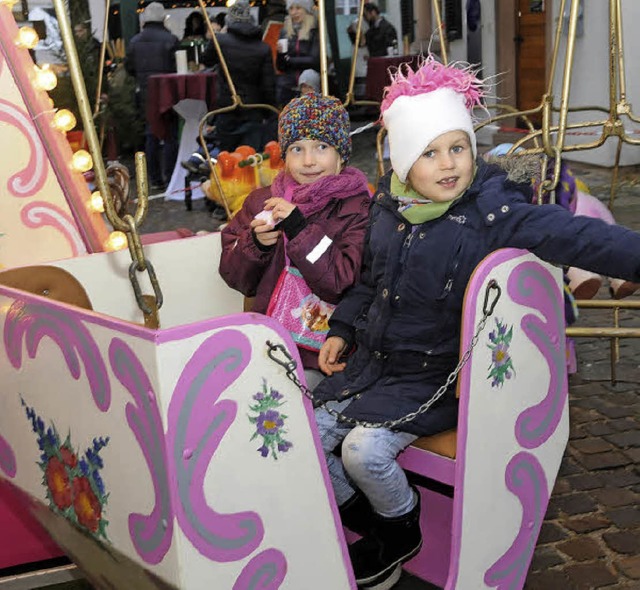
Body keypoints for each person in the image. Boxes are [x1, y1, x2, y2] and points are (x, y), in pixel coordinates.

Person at [309, 56, 640, 590]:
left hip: (434, 378)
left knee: (361, 451)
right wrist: (342, 328)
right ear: (402, 164)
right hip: (373, 368)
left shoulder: (490, 214)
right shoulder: (388, 210)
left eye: (457, 148)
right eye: (430, 152)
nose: (448, 164)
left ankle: (400, 526)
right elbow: (367, 282)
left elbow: (580, 237)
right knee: (305, 433)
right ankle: (378, 533)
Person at [219, 93, 371, 389]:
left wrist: (300, 229)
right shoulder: (262, 201)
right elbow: (235, 277)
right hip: (267, 344)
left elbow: (342, 281)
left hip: (322, 352)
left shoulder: (357, 207)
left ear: (341, 155)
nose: (309, 160)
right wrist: (256, 245)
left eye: (322, 147)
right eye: (297, 148)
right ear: (284, 155)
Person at [200, 0, 277, 154]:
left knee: (226, 155)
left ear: (229, 20)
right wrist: (269, 112)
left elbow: (205, 60)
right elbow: (268, 85)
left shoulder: (220, 41)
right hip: (254, 108)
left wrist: (218, 37)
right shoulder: (263, 48)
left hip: (227, 105)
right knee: (249, 157)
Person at [125, 2, 179, 191]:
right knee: (171, 134)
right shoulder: (171, 40)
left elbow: (129, 68)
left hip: (146, 92)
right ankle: (171, 175)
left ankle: (155, 178)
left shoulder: (134, 41)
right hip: (169, 93)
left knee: (151, 134)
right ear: (163, 18)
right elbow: (177, 69)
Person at [275, 0, 320, 106]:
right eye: (291, 9)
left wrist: (289, 60)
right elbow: (281, 67)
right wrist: (281, 54)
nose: (294, 12)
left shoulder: (314, 30)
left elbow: (314, 60)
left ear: (306, 10)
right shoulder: (285, 31)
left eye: (298, 8)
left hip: (308, 83)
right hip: (288, 84)